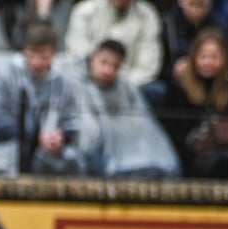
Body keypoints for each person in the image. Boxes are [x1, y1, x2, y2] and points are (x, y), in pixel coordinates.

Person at [0, 22, 86, 176]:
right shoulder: (6, 75)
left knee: (73, 159)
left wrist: (60, 136)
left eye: (43, 57)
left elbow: (73, 120)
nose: (36, 62)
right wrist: (34, 136)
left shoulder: (64, 82)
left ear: (53, 53)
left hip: (52, 154)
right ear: (24, 50)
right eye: (31, 55)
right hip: (8, 149)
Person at [75, 38, 180, 176]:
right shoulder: (75, 82)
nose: (108, 71)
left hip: (129, 154)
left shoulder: (125, 86)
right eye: (104, 62)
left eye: (115, 66)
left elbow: (144, 124)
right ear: (92, 59)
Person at [156, 27, 228, 177]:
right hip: (190, 159)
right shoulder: (179, 89)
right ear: (194, 58)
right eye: (203, 57)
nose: (208, 62)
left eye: (214, 57)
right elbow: (170, 135)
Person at [65, 0, 163, 90]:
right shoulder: (84, 11)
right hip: (89, 79)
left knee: (155, 90)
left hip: (131, 83)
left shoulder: (147, 15)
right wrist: (99, 74)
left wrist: (120, 84)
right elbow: (78, 55)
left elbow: (147, 65)